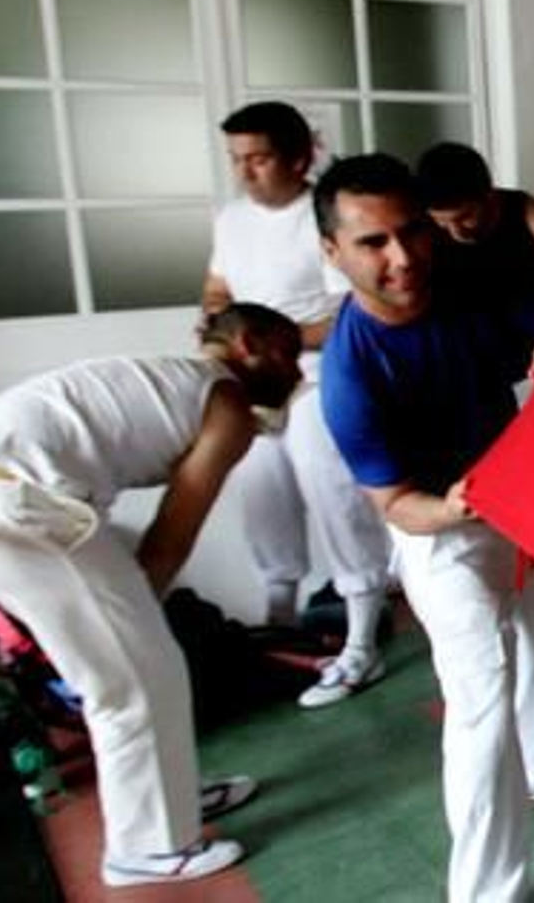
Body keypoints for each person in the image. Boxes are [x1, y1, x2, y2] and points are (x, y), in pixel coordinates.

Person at [315, 153, 534, 903]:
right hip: (440, 528)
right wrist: (456, 508)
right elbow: (395, 504)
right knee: (480, 697)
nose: (403, 257)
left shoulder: (469, 280)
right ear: (333, 253)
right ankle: (486, 895)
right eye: (373, 243)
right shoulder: (350, 372)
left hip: (523, 497)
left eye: (411, 231)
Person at [0, 304, 303, 887]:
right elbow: (174, 532)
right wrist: (137, 612)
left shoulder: (179, 377)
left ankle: (169, 800)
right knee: (130, 678)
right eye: (287, 353)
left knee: (144, 664)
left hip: (4, 494)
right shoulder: (226, 406)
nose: (297, 370)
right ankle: (145, 848)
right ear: (248, 344)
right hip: (17, 503)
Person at [202, 101, 391, 709]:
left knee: (329, 488)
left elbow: (351, 309)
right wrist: (215, 327)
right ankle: (277, 626)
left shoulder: (324, 216)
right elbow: (218, 289)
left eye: (257, 158)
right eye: (237, 160)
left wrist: (269, 341)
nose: (246, 172)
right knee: (261, 495)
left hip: (314, 377)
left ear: (297, 156)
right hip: (251, 381)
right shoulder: (231, 220)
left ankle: (362, 639)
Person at [415, 141, 534, 313]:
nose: (455, 231)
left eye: (465, 217)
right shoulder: (423, 229)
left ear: (489, 195)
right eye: (442, 221)